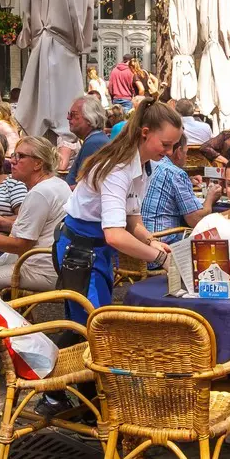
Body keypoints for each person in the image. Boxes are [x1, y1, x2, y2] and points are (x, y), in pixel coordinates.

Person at [52, 100, 184, 319]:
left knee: (98, 318)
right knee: (94, 325)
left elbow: (132, 217)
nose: (170, 152)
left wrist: (150, 240)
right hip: (79, 251)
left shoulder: (142, 165)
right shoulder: (117, 169)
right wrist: (160, 258)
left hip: (97, 249)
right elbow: (114, 235)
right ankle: (67, 354)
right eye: (165, 144)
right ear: (145, 133)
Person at [0, 136, 70, 292]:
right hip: (56, 267)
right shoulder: (58, 183)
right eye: (13, 155)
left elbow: (21, 245)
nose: (12, 161)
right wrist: (9, 224)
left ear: (38, 163)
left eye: (20, 156)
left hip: (39, 270)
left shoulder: (40, 192)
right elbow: (45, 227)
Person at [140, 131, 208, 234]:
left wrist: (188, 181)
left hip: (141, 234)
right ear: (179, 152)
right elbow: (195, 219)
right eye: (186, 152)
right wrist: (211, 198)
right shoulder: (175, 173)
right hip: (165, 237)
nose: (186, 157)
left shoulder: (151, 163)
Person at [63, 94, 111, 183]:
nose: (68, 118)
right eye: (69, 114)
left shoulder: (94, 143)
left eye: (73, 115)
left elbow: (86, 186)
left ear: (89, 118)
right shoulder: (96, 139)